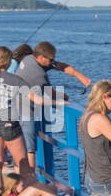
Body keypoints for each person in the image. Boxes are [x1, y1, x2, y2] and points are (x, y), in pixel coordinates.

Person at [12, 41, 91, 171]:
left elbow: (60, 66)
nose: (53, 61)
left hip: (16, 105)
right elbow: (49, 93)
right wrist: (63, 98)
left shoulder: (29, 58)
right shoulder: (38, 75)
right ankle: (30, 181)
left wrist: (80, 77)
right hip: (25, 111)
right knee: (30, 149)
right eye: (51, 59)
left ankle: (24, 178)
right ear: (41, 58)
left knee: (19, 144)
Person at [0, 46, 35, 194]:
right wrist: (58, 102)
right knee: (23, 165)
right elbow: (33, 98)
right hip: (9, 125)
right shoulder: (15, 79)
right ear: (9, 62)